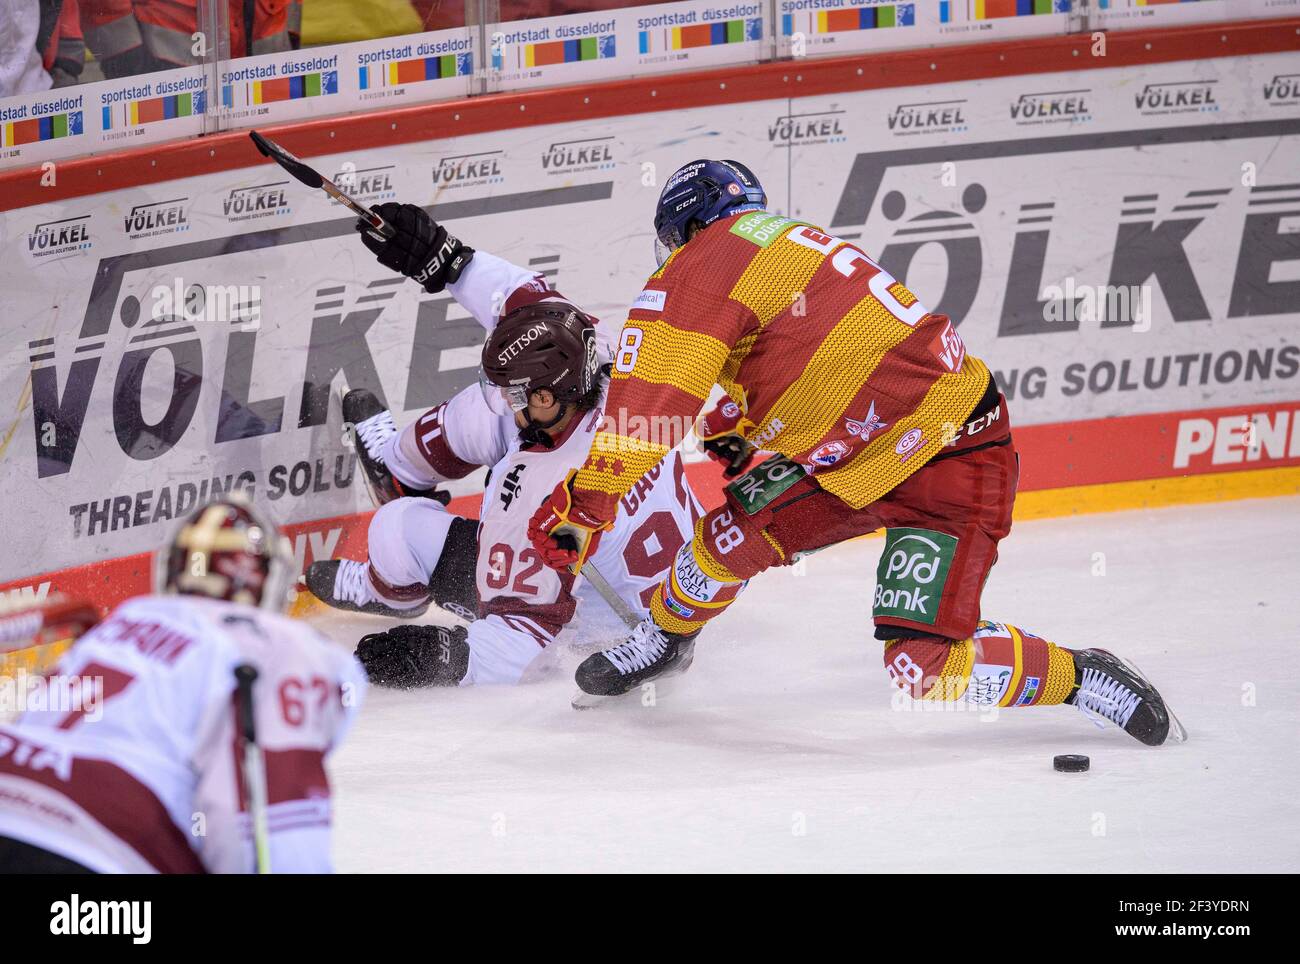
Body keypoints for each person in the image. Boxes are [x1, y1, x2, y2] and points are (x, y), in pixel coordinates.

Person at [526, 159, 1182, 744]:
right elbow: (803, 350)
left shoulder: (702, 264)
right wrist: (732, 426)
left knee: (910, 660)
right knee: (729, 544)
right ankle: (667, 639)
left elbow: (650, 405)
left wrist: (586, 509)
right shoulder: (787, 243)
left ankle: (1081, 675)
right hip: (885, 454)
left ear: (686, 230)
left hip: (941, 455)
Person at [302, 203, 702, 688]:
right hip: (670, 596)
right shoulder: (614, 362)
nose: (507, 402)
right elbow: (529, 303)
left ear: (548, 395)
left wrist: (439, 657)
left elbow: (524, 631)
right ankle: (398, 469)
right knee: (489, 415)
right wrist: (443, 258)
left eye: (517, 394)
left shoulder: (538, 491)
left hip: (596, 631)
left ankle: (389, 591)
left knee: (396, 526)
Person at [0, 495, 365, 873]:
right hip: (101, 844)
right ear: (271, 582)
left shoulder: (120, 622)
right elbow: (276, 830)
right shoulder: (275, 646)